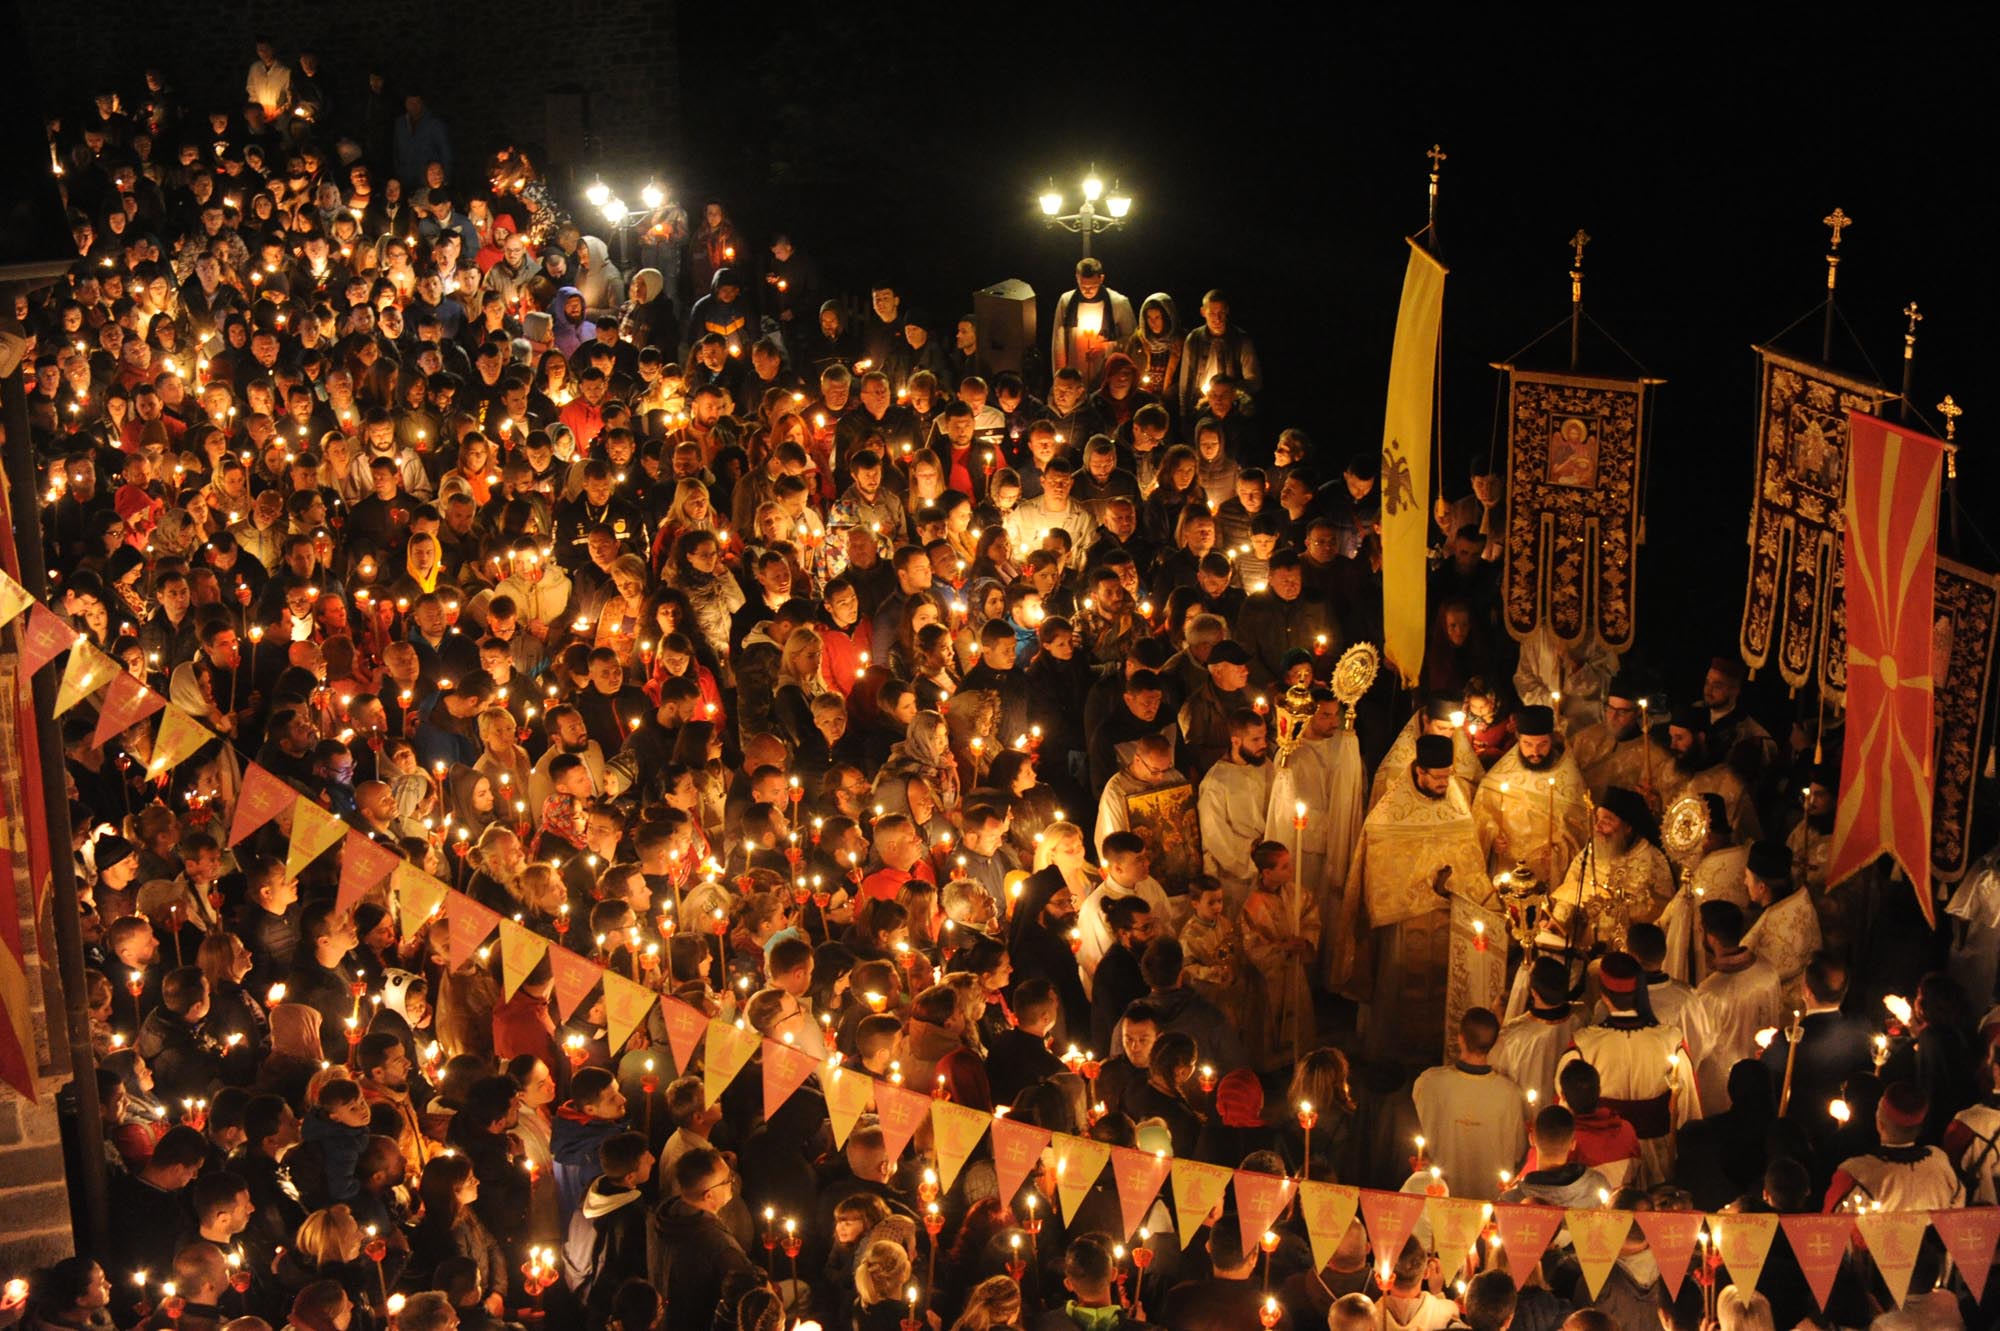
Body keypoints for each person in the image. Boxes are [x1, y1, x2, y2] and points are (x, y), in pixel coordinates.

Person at [1341, 733, 1493, 1063]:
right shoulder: (1389, 813)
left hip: (1447, 918)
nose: (1444, 783)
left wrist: (1455, 884)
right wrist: (1425, 886)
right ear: (1419, 771)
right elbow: (1379, 873)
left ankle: (1439, 1051)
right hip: (1404, 921)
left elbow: (1469, 857)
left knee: (1442, 986)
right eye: (1437, 777)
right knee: (1398, 985)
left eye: (1448, 775)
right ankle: (1392, 1058)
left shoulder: (1454, 800)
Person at [1412, 1008, 1527, 1201]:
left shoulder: (1429, 1083)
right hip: (1489, 1203)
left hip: (1439, 1198)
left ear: (1461, 1038)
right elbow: (1518, 1154)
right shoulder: (1511, 1095)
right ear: (1494, 1043)